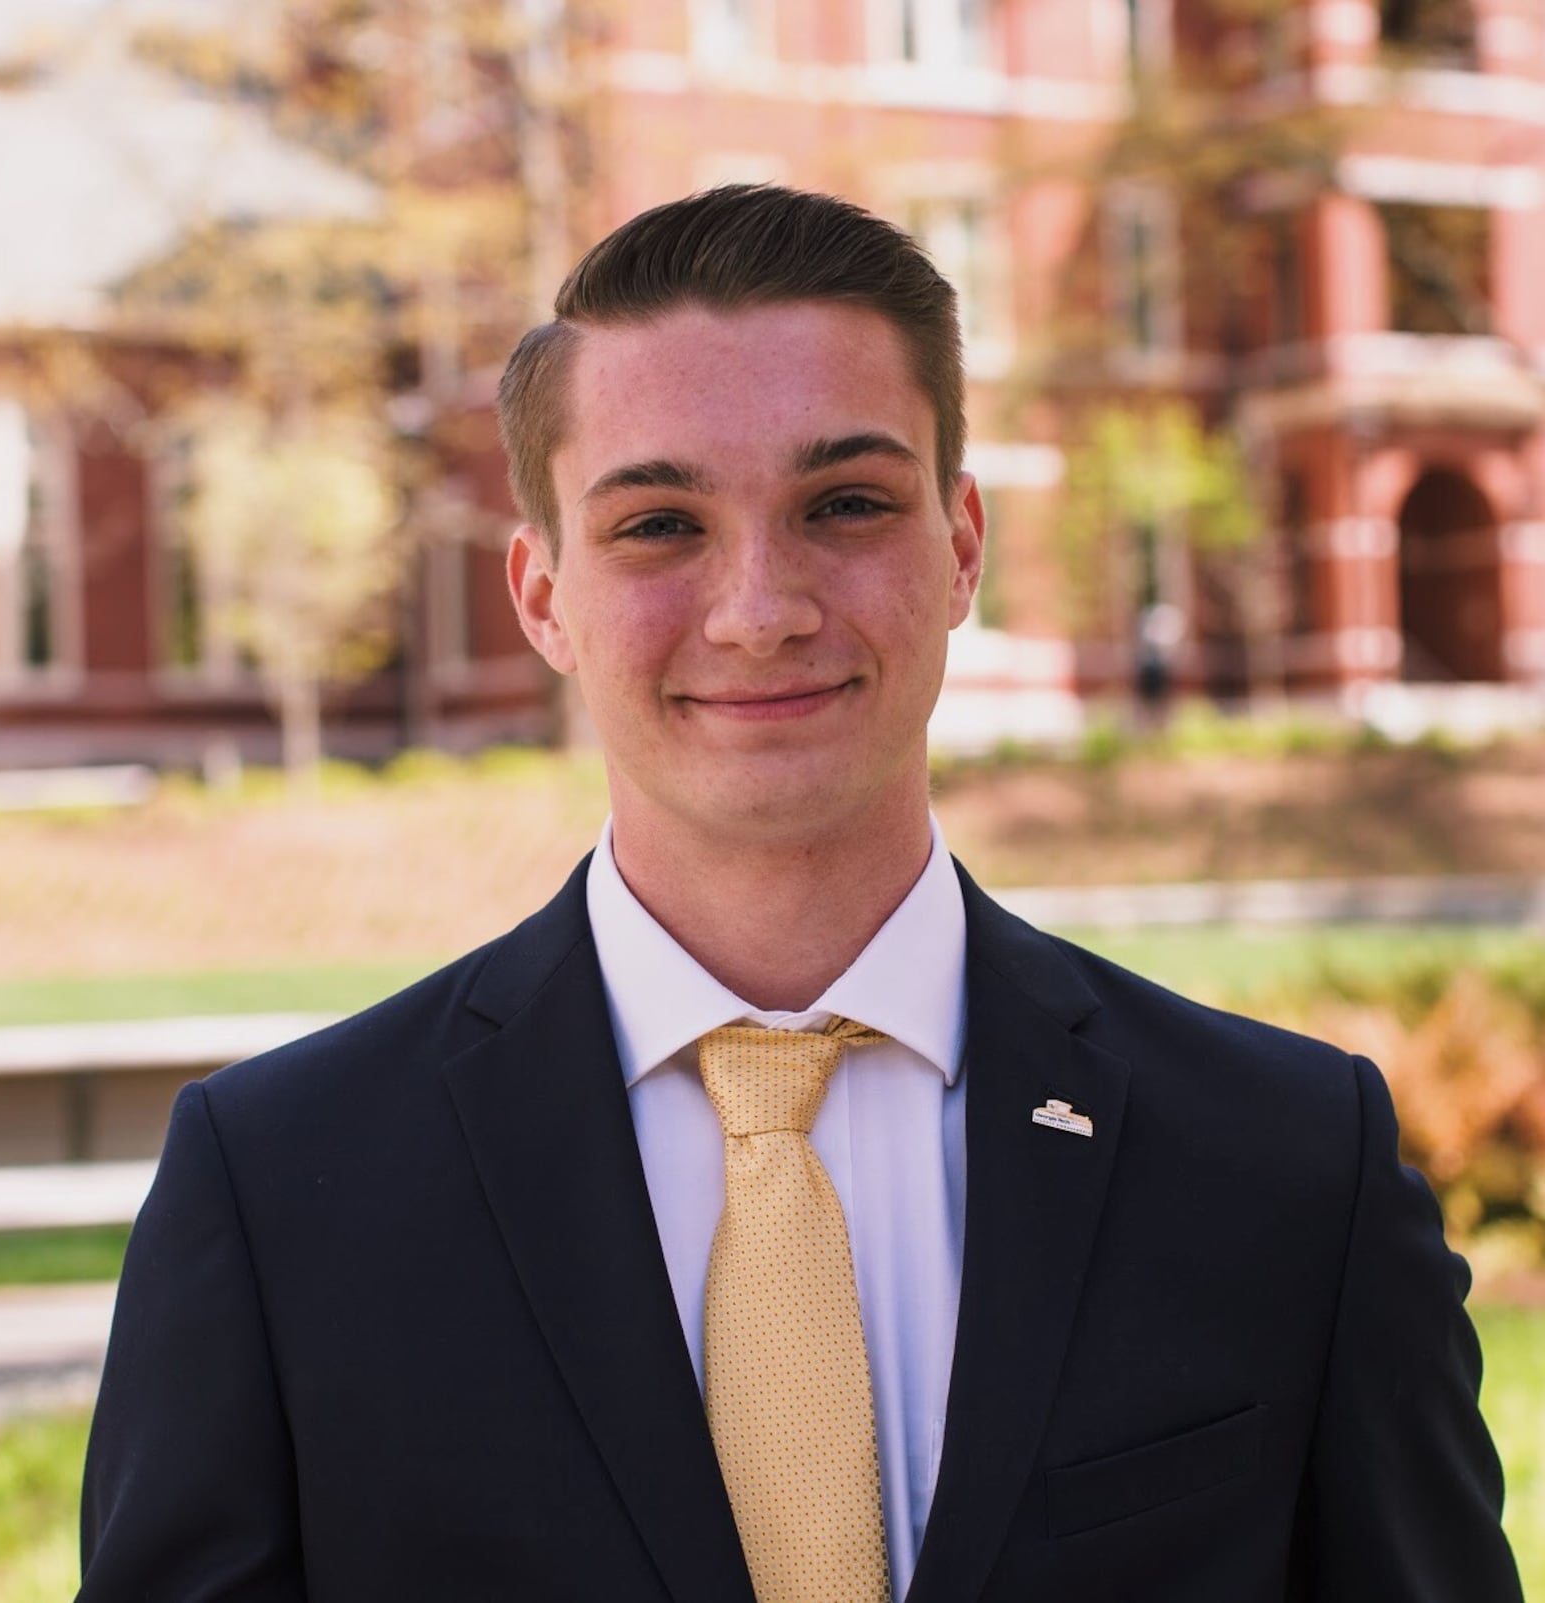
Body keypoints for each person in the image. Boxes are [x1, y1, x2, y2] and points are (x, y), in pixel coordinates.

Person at [78, 185, 1522, 1603]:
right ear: (541, 596)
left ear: (961, 547)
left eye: (844, 503)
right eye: (659, 525)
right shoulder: (278, 1194)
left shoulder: (1287, 1166)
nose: (760, 607)